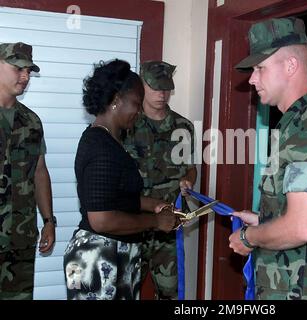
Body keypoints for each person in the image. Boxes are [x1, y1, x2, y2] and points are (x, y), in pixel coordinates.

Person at [229, 17, 307, 300]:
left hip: (303, 290)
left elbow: (301, 227)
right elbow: (306, 212)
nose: (252, 78)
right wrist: (264, 221)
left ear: (290, 66)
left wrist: (249, 238)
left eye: (260, 68)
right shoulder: (295, 125)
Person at [63, 59, 179, 300]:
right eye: (136, 103)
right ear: (116, 100)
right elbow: (102, 220)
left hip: (115, 254)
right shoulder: (99, 145)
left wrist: (153, 204)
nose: (139, 111)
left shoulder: (113, 142)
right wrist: (155, 221)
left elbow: (117, 197)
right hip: (96, 259)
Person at [123, 61, 197, 299]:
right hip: (133, 223)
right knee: (124, 290)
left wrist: (188, 180)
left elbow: (191, 168)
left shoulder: (183, 126)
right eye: (155, 87)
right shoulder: (126, 124)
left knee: (170, 293)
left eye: (166, 88)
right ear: (142, 85)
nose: (161, 94)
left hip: (169, 225)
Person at [0, 42, 55, 300]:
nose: (25, 76)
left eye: (29, 71)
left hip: (20, 238)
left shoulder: (31, 121)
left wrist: (48, 221)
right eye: (18, 68)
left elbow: (39, 173)